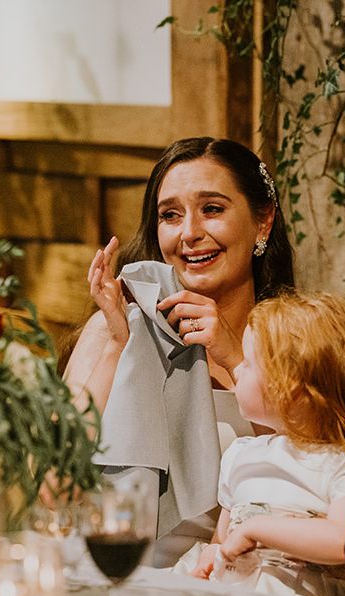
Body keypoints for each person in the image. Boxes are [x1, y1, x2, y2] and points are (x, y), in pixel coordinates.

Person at [63, 137, 295, 566]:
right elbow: (55, 476)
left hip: (253, 578)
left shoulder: (294, 339)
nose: (189, 233)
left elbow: (318, 465)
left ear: (263, 222)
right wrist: (119, 345)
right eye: (170, 215)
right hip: (127, 572)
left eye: (212, 209)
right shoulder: (113, 325)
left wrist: (234, 357)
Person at [174, 291, 345, 596]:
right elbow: (222, 536)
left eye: (248, 362)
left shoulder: (343, 461)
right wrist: (211, 555)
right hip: (234, 591)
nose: (238, 369)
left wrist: (258, 529)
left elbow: (343, 540)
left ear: (293, 391)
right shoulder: (242, 454)